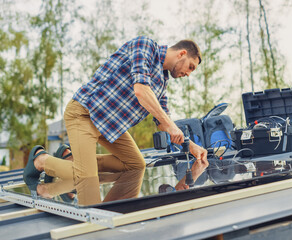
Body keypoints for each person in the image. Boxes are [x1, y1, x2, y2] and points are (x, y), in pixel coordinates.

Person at [23, 36, 209, 200]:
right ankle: (41, 160)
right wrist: (170, 125)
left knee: (136, 165)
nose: (188, 74)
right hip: (85, 112)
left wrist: (190, 145)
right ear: (182, 53)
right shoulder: (145, 46)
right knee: (86, 178)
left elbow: (164, 122)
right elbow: (141, 90)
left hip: (110, 125)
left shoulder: (162, 81)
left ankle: (70, 158)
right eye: (190, 67)